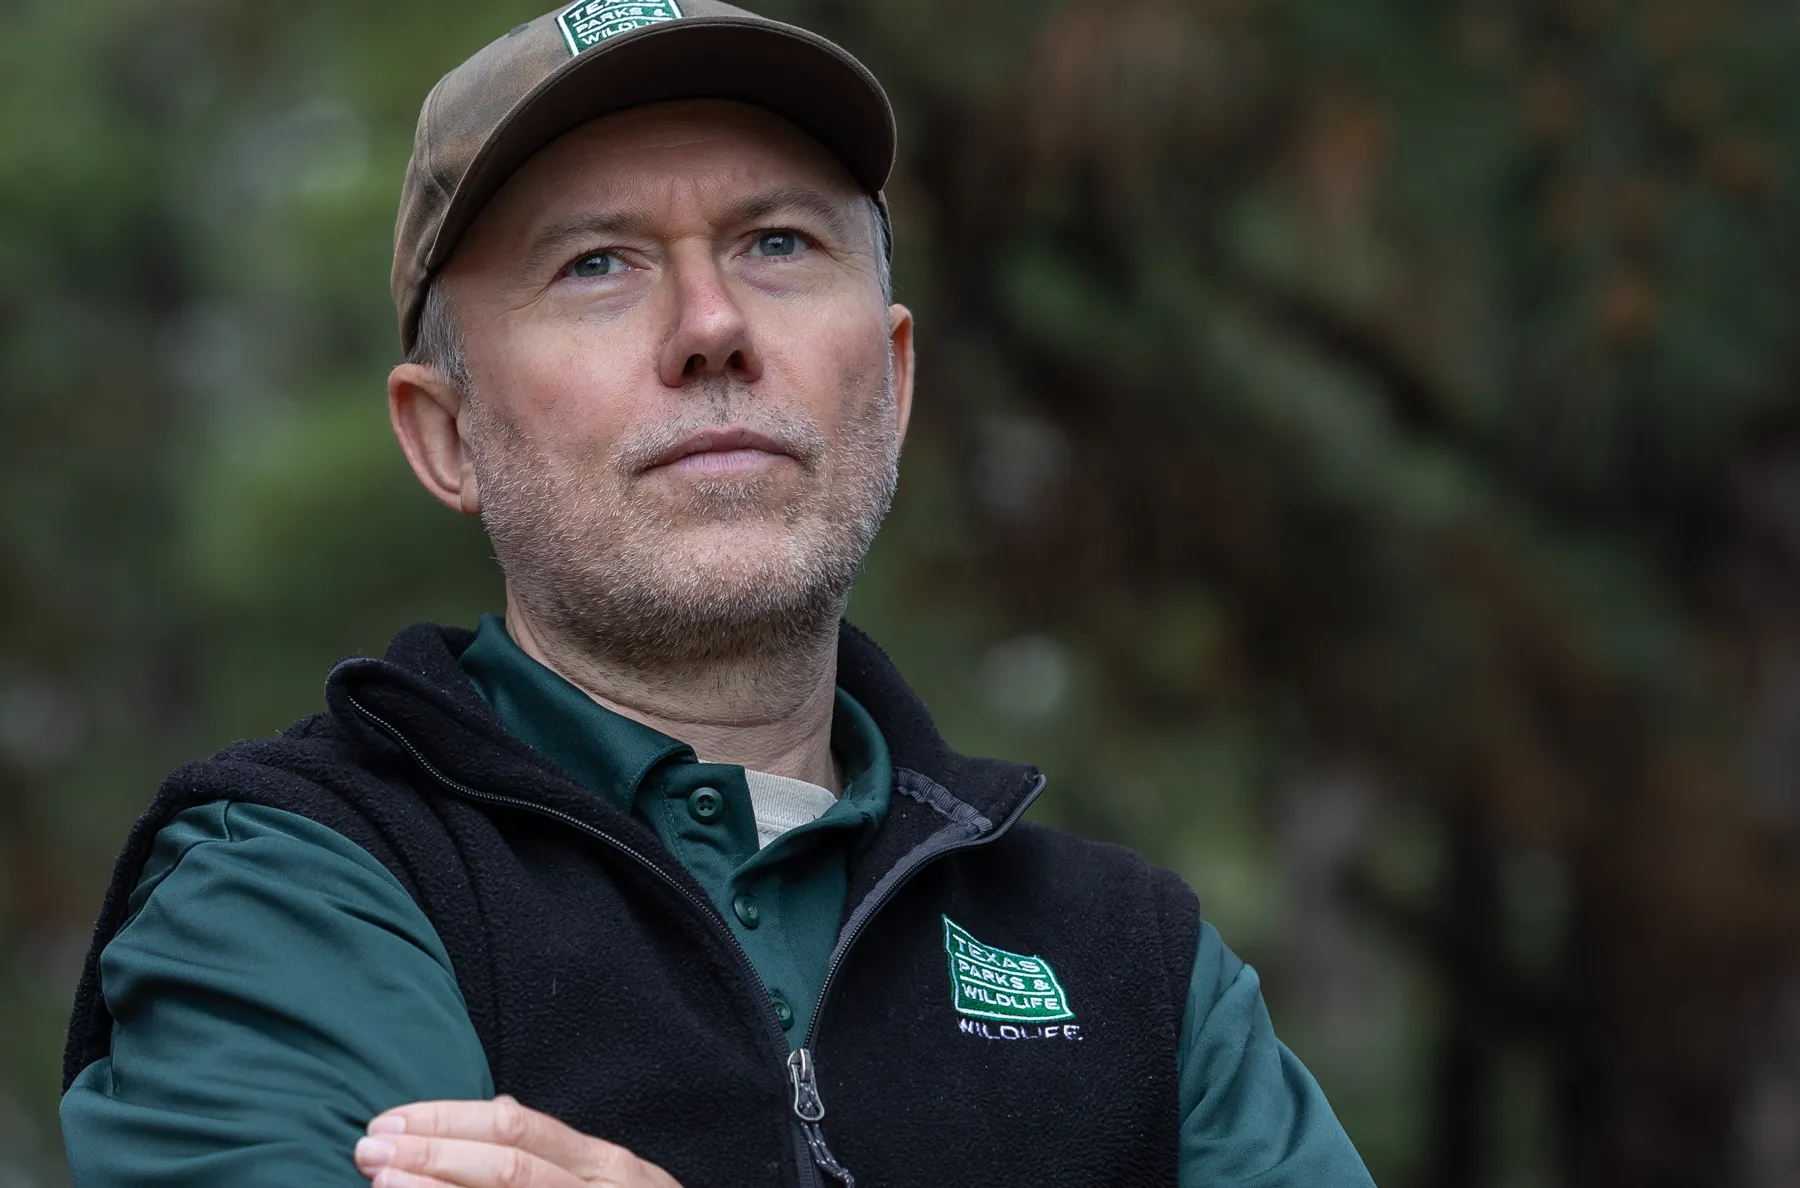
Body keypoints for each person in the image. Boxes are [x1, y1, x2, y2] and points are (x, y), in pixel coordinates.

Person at [58, 2, 1376, 1185]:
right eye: (595, 264)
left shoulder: (1144, 971)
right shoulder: (292, 894)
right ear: (447, 437)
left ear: (896, 381)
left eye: (779, 243)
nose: (711, 326)